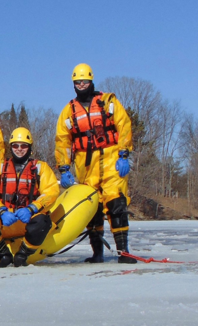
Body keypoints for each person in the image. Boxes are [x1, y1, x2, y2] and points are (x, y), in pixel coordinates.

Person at [55, 63, 136, 264]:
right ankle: (97, 253)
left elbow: (124, 125)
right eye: (77, 82)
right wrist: (64, 168)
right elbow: (62, 141)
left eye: (85, 81)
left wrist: (124, 154)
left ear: (91, 81)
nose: (81, 85)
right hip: (86, 166)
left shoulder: (108, 102)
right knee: (93, 210)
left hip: (111, 162)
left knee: (117, 205)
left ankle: (123, 252)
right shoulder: (69, 111)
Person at [0, 128, 59, 267]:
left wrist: (32, 209)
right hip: (5, 219)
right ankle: (3, 254)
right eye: (15, 145)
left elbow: (50, 192)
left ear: (30, 147)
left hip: (28, 220)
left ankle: (22, 254)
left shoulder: (40, 168)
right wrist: (1, 211)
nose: (19, 149)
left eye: (24, 145)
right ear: (11, 147)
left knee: (43, 221)